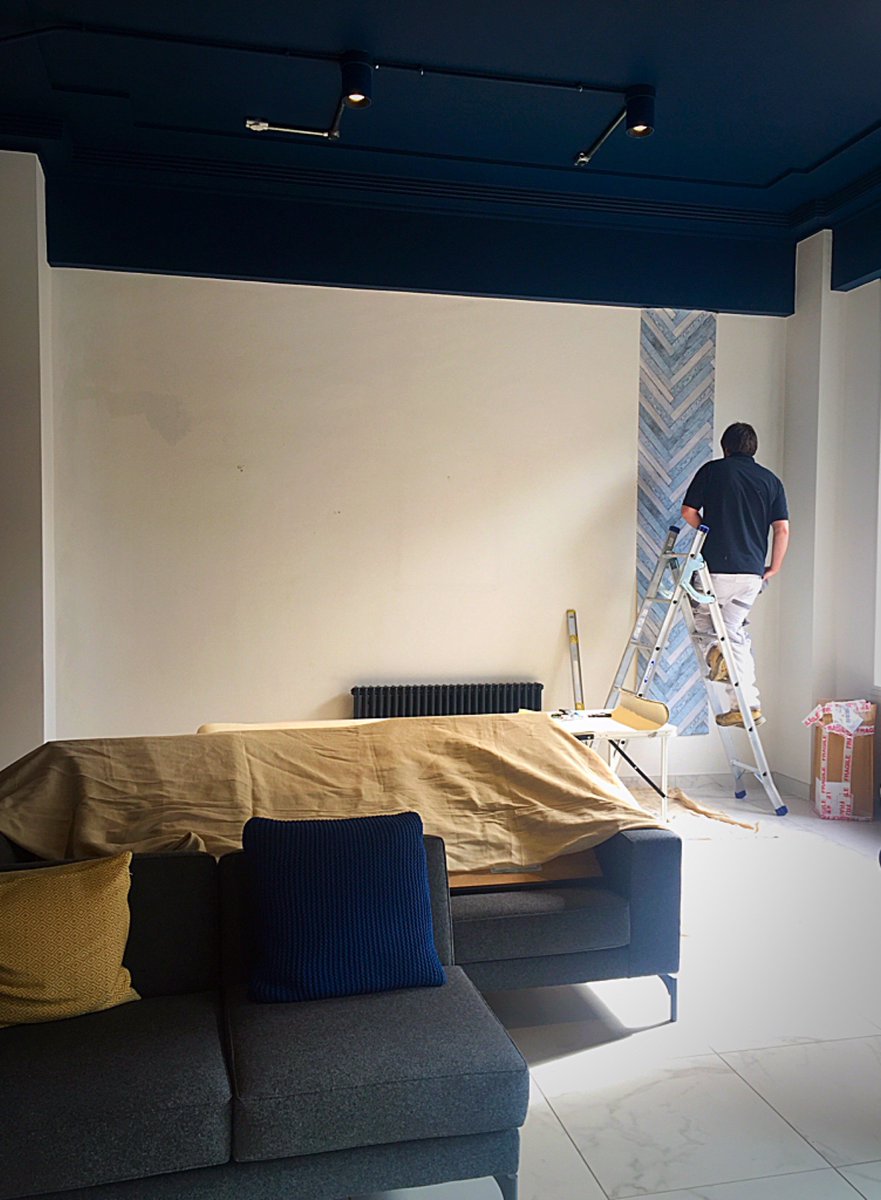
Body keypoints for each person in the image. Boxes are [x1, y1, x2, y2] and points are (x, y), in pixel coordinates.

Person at [680, 422, 789, 727]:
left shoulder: (713, 471)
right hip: (752, 575)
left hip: (715, 569)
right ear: (753, 449)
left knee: (704, 621)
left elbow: (688, 511)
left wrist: (707, 530)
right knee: (735, 633)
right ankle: (747, 705)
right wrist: (774, 567)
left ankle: (716, 655)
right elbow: (781, 529)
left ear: (725, 448)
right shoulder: (771, 481)